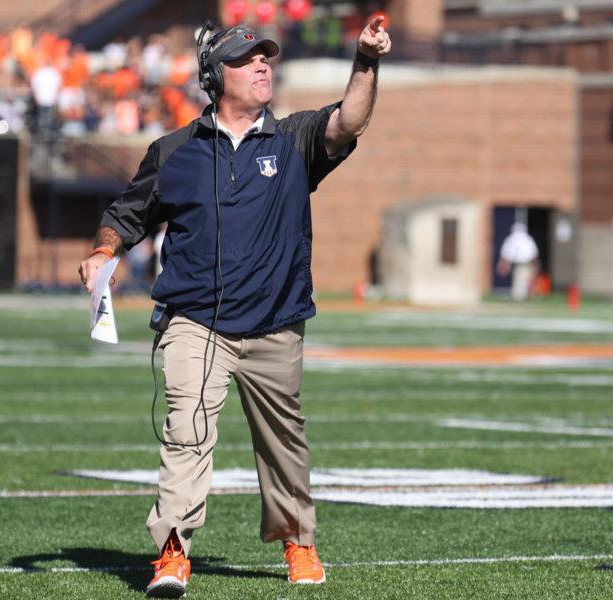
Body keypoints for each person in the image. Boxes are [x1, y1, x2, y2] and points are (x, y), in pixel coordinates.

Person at [78, 16, 391, 597]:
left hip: (276, 324)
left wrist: (366, 60)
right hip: (196, 322)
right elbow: (126, 215)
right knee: (186, 431)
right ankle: (172, 551)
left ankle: (298, 540)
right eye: (248, 59)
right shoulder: (173, 151)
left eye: (266, 57)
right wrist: (102, 253)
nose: (262, 65)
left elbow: (350, 120)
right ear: (216, 76)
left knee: (283, 442)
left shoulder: (294, 140)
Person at [496, 222, 538, 301]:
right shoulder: (528, 239)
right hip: (524, 264)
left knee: (521, 280)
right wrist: (535, 265)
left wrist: (503, 263)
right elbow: (533, 253)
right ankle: (520, 297)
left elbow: (506, 253)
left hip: (521, 264)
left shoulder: (511, 239)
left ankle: (520, 297)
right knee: (523, 280)